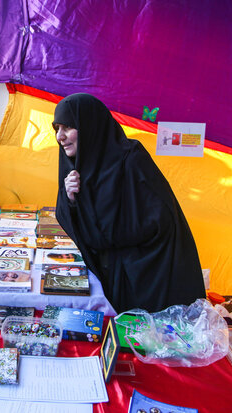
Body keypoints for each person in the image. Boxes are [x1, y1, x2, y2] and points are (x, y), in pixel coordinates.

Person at [53, 93, 205, 314]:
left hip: (147, 275)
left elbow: (159, 219)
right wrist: (71, 200)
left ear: (89, 126)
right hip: (111, 268)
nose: (60, 136)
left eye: (67, 127)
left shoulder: (130, 159)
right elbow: (68, 217)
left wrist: (107, 236)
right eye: (56, 128)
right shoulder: (76, 162)